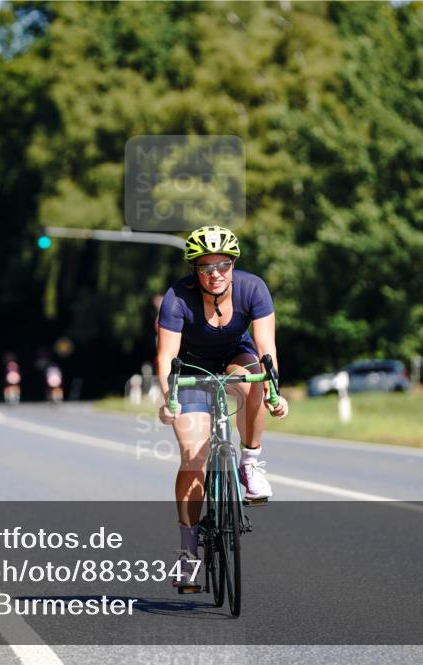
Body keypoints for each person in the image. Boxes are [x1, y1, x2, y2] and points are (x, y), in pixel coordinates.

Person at [155, 225, 289, 589]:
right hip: (191, 368)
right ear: (194, 270)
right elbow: (166, 355)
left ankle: (250, 463)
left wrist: (274, 392)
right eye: (205, 267)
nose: (215, 274)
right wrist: (169, 399)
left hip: (235, 356)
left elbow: (266, 350)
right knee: (193, 457)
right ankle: (187, 554)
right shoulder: (177, 298)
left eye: (223, 265)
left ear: (233, 265)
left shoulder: (253, 288)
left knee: (254, 382)